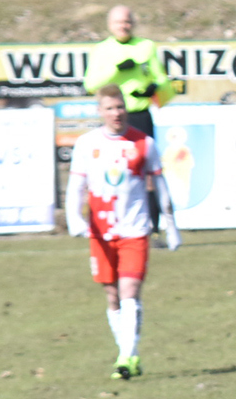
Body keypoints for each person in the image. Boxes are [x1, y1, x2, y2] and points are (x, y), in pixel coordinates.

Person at [65, 86, 181, 380]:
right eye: (110, 108)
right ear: (100, 111)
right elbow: (76, 186)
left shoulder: (144, 143)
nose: (116, 113)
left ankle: (127, 356)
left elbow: (160, 186)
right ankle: (127, 351)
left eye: (120, 107)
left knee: (130, 291)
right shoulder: (86, 144)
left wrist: (170, 224)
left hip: (135, 228)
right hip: (101, 231)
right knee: (112, 295)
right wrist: (74, 219)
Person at [83, 5, 175, 234]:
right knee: (114, 171)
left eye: (127, 22)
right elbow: (90, 84)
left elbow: (163, 80)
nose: (123, 26)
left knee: (148, 172)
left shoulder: (146, 47)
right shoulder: (102, 50)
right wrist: (116, 69)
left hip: (140, 115)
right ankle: (111, 222)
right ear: (109, 25)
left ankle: (152, 226)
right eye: (118, 22)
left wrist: (155, 88)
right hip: (114, 120)